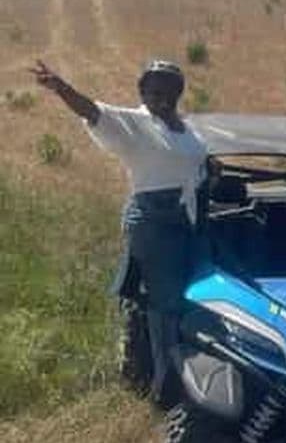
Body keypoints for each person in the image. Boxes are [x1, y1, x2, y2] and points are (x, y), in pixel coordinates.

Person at [29, 58, 209, 400]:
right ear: (142, 90)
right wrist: (61, 88)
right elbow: (93, 112)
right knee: (165, 302)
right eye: (154, 88)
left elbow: (201, 164)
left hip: (187, 215)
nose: (162, 95)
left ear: (179, 92)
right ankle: (168, 387)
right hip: (154, 218)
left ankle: (187, 371)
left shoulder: (186, 128)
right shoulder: (138, 122)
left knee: (189, 297)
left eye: (169, 88)